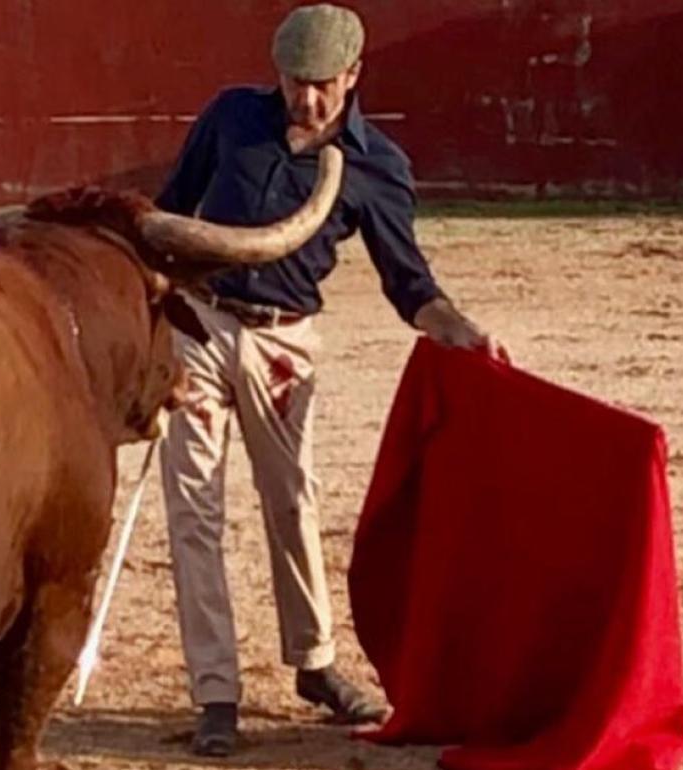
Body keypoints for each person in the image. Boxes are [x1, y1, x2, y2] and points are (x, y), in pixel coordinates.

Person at [155, 3, 501, 757]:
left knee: (291, 503)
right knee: (193, 510)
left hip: (284, 345)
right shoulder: (232, 117)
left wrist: (460, 330)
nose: (304, 101)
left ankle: (313, 664)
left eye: (320, 85)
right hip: (200, 325)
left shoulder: (376, 166)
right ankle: (215, 693)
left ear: (353, 75)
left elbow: (409, 284)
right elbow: (170, 213)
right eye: (291, 82)